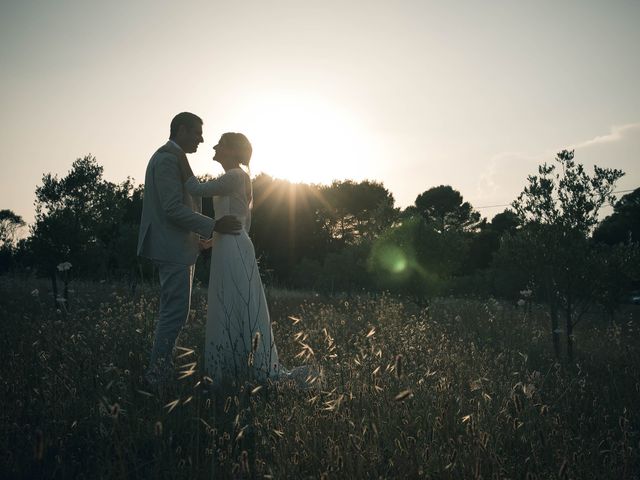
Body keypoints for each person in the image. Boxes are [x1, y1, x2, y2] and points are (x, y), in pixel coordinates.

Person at [180, 132, 316, 389]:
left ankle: (234, 369)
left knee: (234, 299)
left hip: (233, 247)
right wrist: (210, 242)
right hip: (231, 244)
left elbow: (196, 188)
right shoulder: (239, 178)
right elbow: (241, 223)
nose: (214, 146)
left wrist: (180, 158)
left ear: (231, 150)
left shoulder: (235, 176)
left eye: (220, 143)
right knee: (230, 299)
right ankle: (235, 366)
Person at [137, 113, 241, 385]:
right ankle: (155, 376)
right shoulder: (167, 159)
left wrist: (199, 239)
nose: (202, 139)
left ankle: (159, 371)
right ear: (181, 130)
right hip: (171, 248)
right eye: (196, 133)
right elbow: (172, 209)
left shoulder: (174, 158)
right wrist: (214, 225)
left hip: (179, 246)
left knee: (176, 312)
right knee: (174, 313)